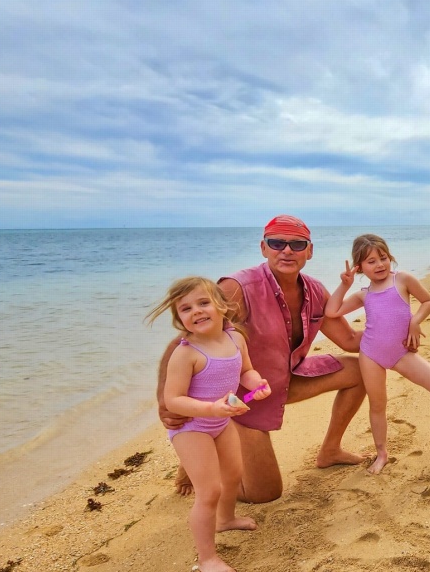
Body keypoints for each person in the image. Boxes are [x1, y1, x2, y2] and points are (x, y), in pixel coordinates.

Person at [157, 215, 368, 503]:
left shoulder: (315, 291)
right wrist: (165, 401)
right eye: (277, 243)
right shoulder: (238, 287)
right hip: (239, 399)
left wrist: (397, 330)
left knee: (359, 370)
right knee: (264, 494)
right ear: (263, 247)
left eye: (297, 244)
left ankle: (330, 451)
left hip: (279, 381)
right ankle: (203, 460)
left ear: (309, 251)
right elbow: (182, 343)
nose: (287, 251)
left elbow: (350, 340)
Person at [146, 277, 271, 572]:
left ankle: (225, 519)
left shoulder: (235, 338)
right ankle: (207, 558)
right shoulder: (186, 353)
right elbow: (173, 400)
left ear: (223, 306)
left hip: (220, 422)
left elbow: (245, 371)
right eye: (186, 308)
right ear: (179, 319)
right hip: (192, 427)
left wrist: (256, 384)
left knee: (233, 473)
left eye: (203, 303)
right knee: (209, 490)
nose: (196, 311)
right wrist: (210, 409)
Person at [325, 233, 430, 474]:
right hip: (371, 354)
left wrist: (415, 321)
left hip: (401, 352)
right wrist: (344, 285)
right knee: (378, 405)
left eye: (383, 258)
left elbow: (428, 301)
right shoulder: (363, 295)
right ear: (359, 267)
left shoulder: (403, 279)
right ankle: (382, 454)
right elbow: (332, 312)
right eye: (371, 261)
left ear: (390, 258)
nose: (379, 265)